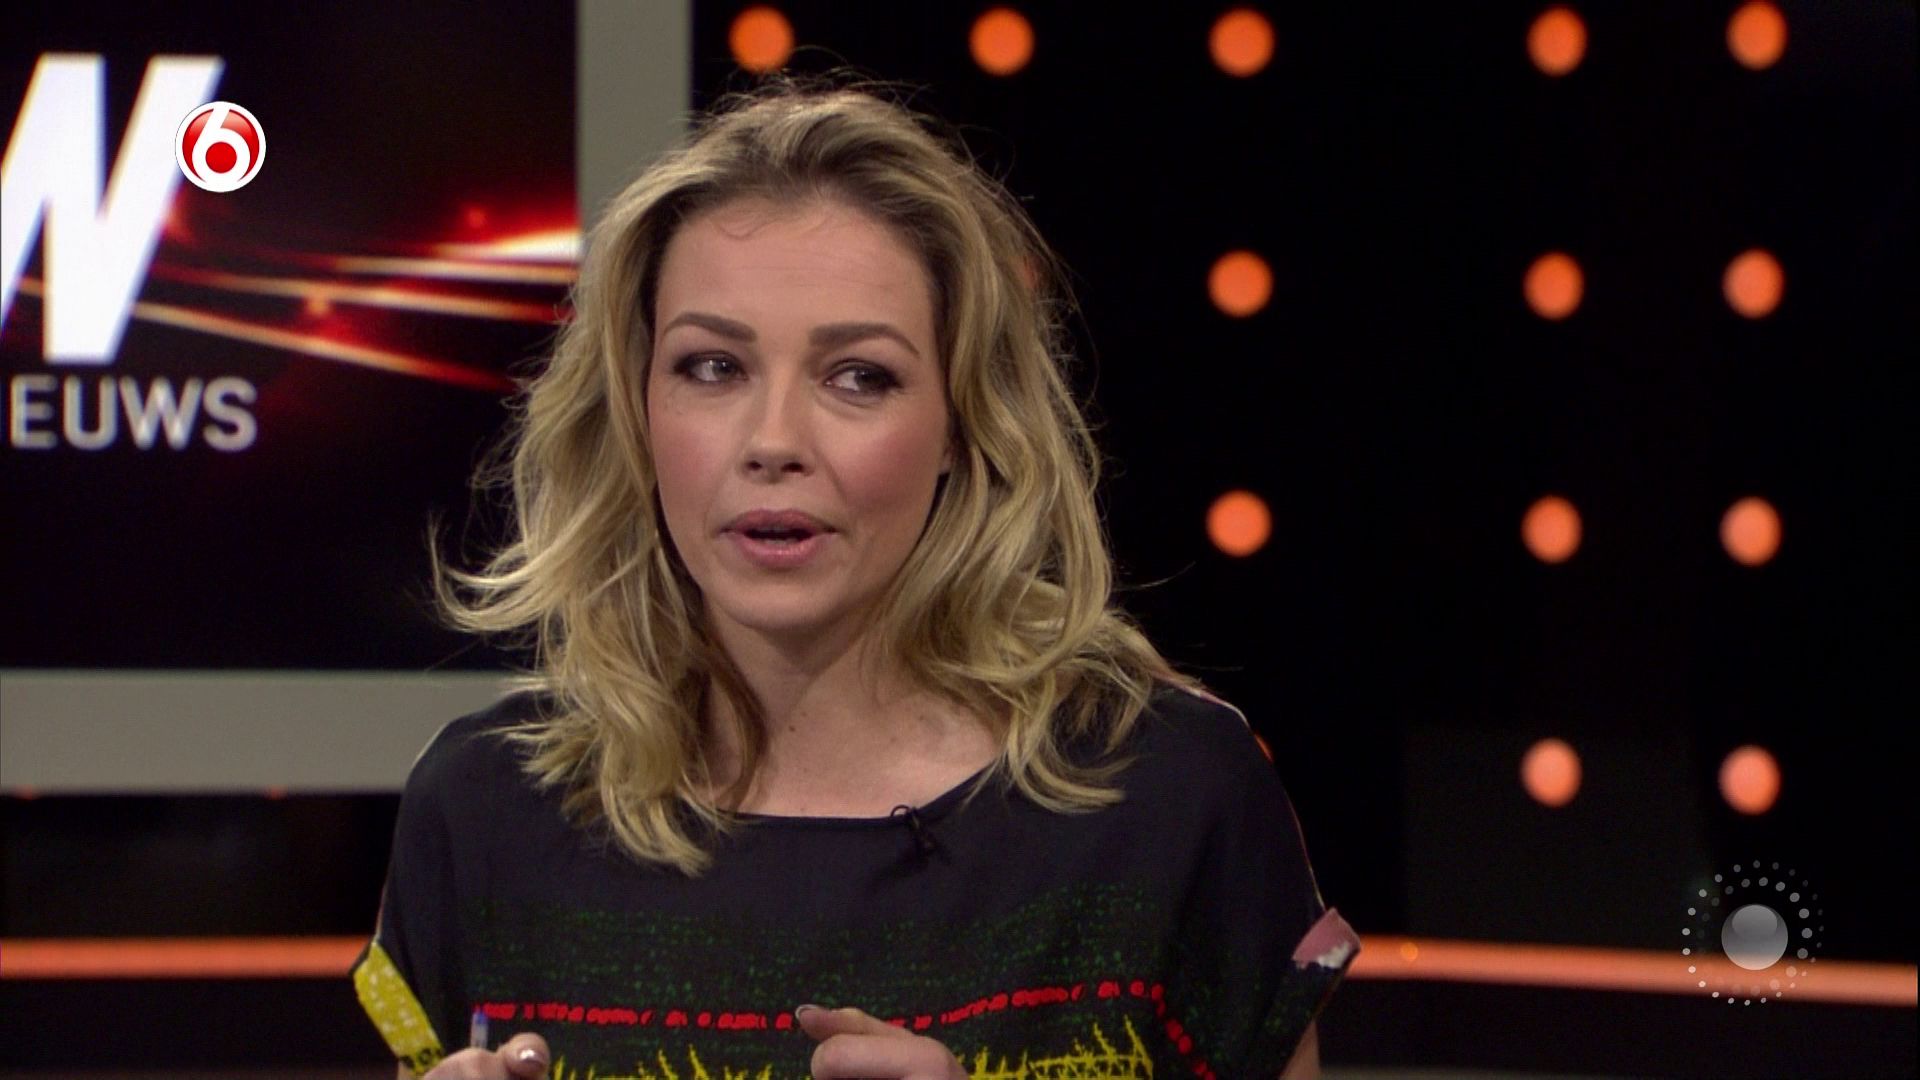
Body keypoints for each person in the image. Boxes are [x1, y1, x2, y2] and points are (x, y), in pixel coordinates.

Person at [352, 79, 1357, 1080]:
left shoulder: (1169, 800)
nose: (773, 441)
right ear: (636, 406)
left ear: (962, 421)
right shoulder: (486, 809)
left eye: (858, 376)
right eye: (713, 367)